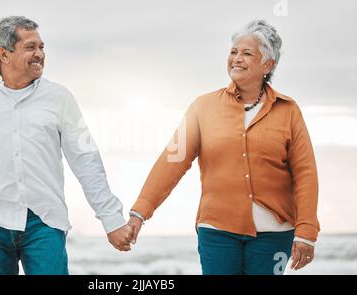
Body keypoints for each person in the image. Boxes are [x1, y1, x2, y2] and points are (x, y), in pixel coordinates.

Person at [0, 16, 132, 275]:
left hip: (45, 222)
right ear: (3, 54)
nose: (40, 54)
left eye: (42, 47)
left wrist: (111, 219)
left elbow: (86, 160)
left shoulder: (59, 98)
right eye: (30, 47)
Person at [127, 20, 320, 275]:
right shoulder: (203, 107)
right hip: (217, 232)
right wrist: (139, 213)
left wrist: (307, 232)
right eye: (233, 52)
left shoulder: (289, 111)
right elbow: (172, 161)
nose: (237, 58)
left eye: (247, 53)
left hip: (274, 235)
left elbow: (305, 172)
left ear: (268, 64)